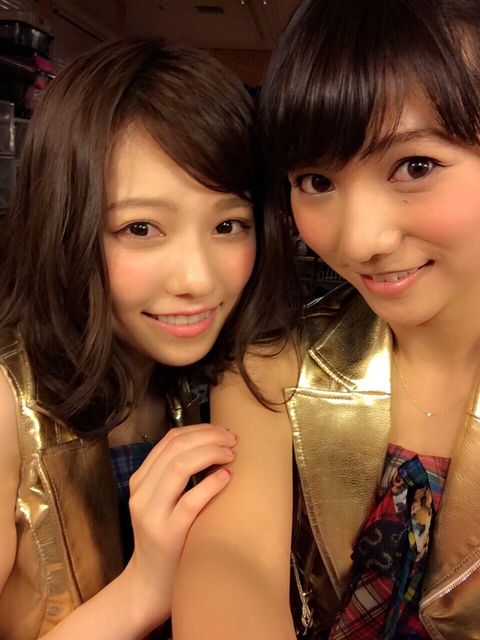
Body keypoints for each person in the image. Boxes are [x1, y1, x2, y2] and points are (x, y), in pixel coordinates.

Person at [172, 1, 480, 638]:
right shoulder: (274, 364)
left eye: (415, 166)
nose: (359, 240)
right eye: (315, 181)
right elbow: (232, 559)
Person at [0, 37, 296, 640]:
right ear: (64, 225)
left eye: (228, 224)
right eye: (141, 228)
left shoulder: (225, 381)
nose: (197, 279)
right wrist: (144, 587)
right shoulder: (8, 409)